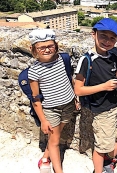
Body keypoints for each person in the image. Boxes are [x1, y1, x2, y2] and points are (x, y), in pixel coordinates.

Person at [74, 18, 117, 173]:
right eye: (103, 36)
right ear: (94, 34)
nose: (107, 41)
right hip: (102, 110)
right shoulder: (86, 60)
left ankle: (107, 161)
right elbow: (78, 90)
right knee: (100, 147)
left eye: (112, 38)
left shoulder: (112, 56)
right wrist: (103, 87)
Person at [28, 29, 79, 173]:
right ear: (34, 49)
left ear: (55, 45)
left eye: (50, 46)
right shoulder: (34, 71)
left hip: (69, 105)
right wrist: (43, 120)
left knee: (54, 136)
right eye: (41, 47)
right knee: (55, 141)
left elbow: (69, 80)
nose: (46, 49)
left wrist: (75, 98)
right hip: (52, 109)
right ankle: (58, 170)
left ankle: (45, 157)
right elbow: (35, 98)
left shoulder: (63, 59)